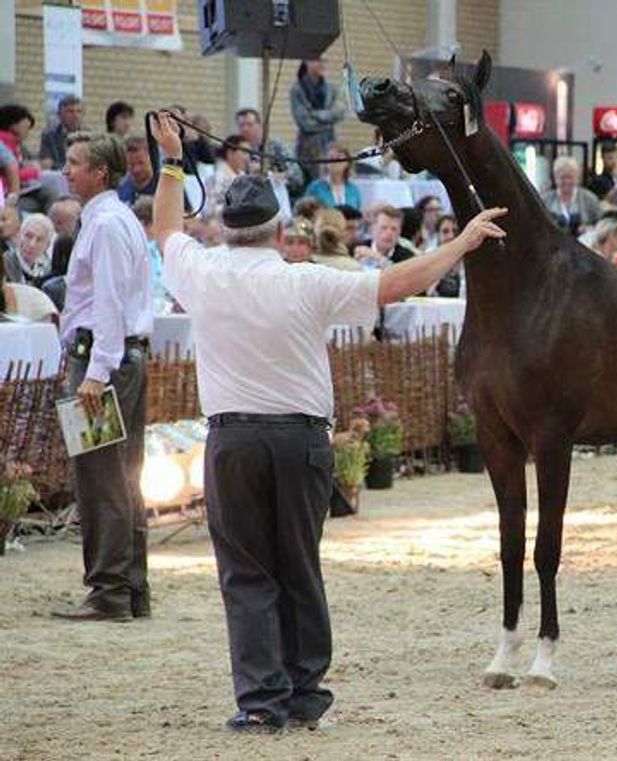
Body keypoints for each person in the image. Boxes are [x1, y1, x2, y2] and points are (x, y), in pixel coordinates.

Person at [148, 110, 506, 732]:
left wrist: (173, 160)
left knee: (246, 573)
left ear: (226, 229)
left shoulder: (200, 273)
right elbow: (397, 284)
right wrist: (462, 242)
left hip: (233, 440)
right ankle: (305, 695)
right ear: (279, 228)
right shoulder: (308, 282)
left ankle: (260, 703)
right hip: (300, 440)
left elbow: (165, 228)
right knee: (299, 566)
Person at [52, 131, 152, 621]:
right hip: (120, 359)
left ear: (100, 173)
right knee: (124, 475)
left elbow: (108, 304)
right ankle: (131, 587)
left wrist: (95, 372)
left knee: (100, 478)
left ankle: (109, 590)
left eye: (75, 163)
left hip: (103, 361)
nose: (66, 170)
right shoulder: (116, 219)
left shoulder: (107, 225)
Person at [290, 58, 346, 184]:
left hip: (329, 145)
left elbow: (341, 112)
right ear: (306, 62)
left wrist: (315, 115)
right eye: (317, 60)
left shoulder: (331, 89)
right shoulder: (297, 90)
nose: (321, 64)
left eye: (323, 61)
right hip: (307, 151)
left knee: (330, 184)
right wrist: (329, 120)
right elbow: (305, 123)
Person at [235, 107, 305, 198]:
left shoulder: (275, 147)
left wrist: (271, 176)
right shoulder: (235, 151)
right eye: (241, 125)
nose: (245, 129)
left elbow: (297, 176)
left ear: (260, 126)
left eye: (249, 125)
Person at [542, 156, 602, 236]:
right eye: (562, 177)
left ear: (577, 177)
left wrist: (589, 229)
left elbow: (602, 227)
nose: (567, 181)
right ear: (555, 178)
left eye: (570, 177)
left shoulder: (590, 199)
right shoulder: (545, 200)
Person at [303, 144, 361, 211]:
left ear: (347, 163)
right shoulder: (315, 188)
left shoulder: (354, 190)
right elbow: (305, 213)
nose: (334, 161)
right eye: (331, 158)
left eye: (338, 158)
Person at [356, 205, 416, 269]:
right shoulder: (357, 247)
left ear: (400, 232)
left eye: (394, 229)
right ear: (372, 228)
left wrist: (377, 257)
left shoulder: (407, 257)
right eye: (383, 228)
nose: (389, 233)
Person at [3, 213, 54, 288]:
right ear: (19, 236)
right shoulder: (5, 264)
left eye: (39, 240)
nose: (32, 244)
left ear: (47, 246)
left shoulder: (47, 269)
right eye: (28, 236)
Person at [38, 95, 85, 170]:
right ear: (59, 115)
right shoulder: (49, 136)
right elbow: (46, 164)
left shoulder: (89, 136)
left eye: (79, 111)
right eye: (70, 111)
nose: (75, 115)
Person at [311, 207, 361, 271]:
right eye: (349, 228)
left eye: (357, 228)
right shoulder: (352, 268)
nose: (355, 234)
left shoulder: (301, 264)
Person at [116, 136, 156, 205]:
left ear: (151, 158)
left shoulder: (164, 187)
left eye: (141, 163)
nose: (136, 170)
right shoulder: (120, 192)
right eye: (131, 164)